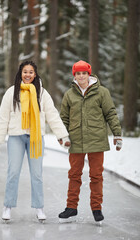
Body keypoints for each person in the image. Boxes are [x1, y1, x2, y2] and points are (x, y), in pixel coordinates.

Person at [0, 61, 70, 222]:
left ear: (35, 74)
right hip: (16, 137)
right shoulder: (11, 92)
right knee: (13, 172)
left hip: (35, 138)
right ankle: (7, 206)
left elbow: (52, 115)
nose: (28, 75)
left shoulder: (41, 93)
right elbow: (3, 118)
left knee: (37, 174)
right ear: (20, 73)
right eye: (25, 71)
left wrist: (62, 136)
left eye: (31, 72)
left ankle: (39, 208)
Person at [58, 60, 122, 223]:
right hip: (76, 141)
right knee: (74, 175)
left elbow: (111, 113)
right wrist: (62, 136)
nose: (81, 76)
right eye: (78, 73)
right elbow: (63, 118)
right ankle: (71, 207)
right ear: (74, 75)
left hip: (96, 139)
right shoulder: (69, 94)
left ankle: (96, 208)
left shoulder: (102, 92)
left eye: (84, 73)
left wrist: (117, 134)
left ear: (89, 74)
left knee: (96, 176)